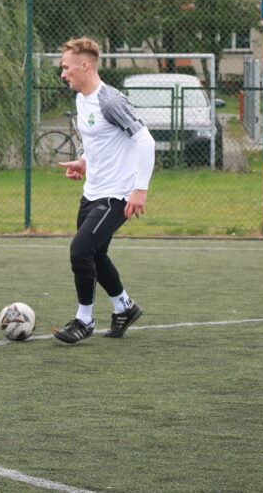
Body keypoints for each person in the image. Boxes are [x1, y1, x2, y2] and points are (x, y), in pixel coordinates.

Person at [52, 38, 155, 344]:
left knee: (80, 251)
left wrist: (140, 190)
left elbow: (145, 141)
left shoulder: (110, 101)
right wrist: (84, 161)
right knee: (96, 254)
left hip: (117, 195)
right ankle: (125, 307)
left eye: (66, 67)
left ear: (85, 66)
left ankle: (84, 321)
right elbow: (100, 140)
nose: (63, 74)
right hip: (92, 192)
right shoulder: (81, 99)